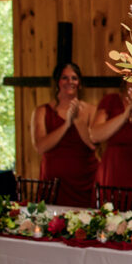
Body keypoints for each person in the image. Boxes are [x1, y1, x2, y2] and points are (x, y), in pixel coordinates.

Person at [31, 62, 97, 206]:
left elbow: (93, 145)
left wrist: (77, 120)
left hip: (84, 181)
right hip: (54, 182)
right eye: (65, 78)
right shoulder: (42, 111)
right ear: (57, 82)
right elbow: (40, 146)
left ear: (79, 83)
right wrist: (67, 124)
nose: (70, 82)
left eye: (74, 78)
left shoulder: (91, 110)